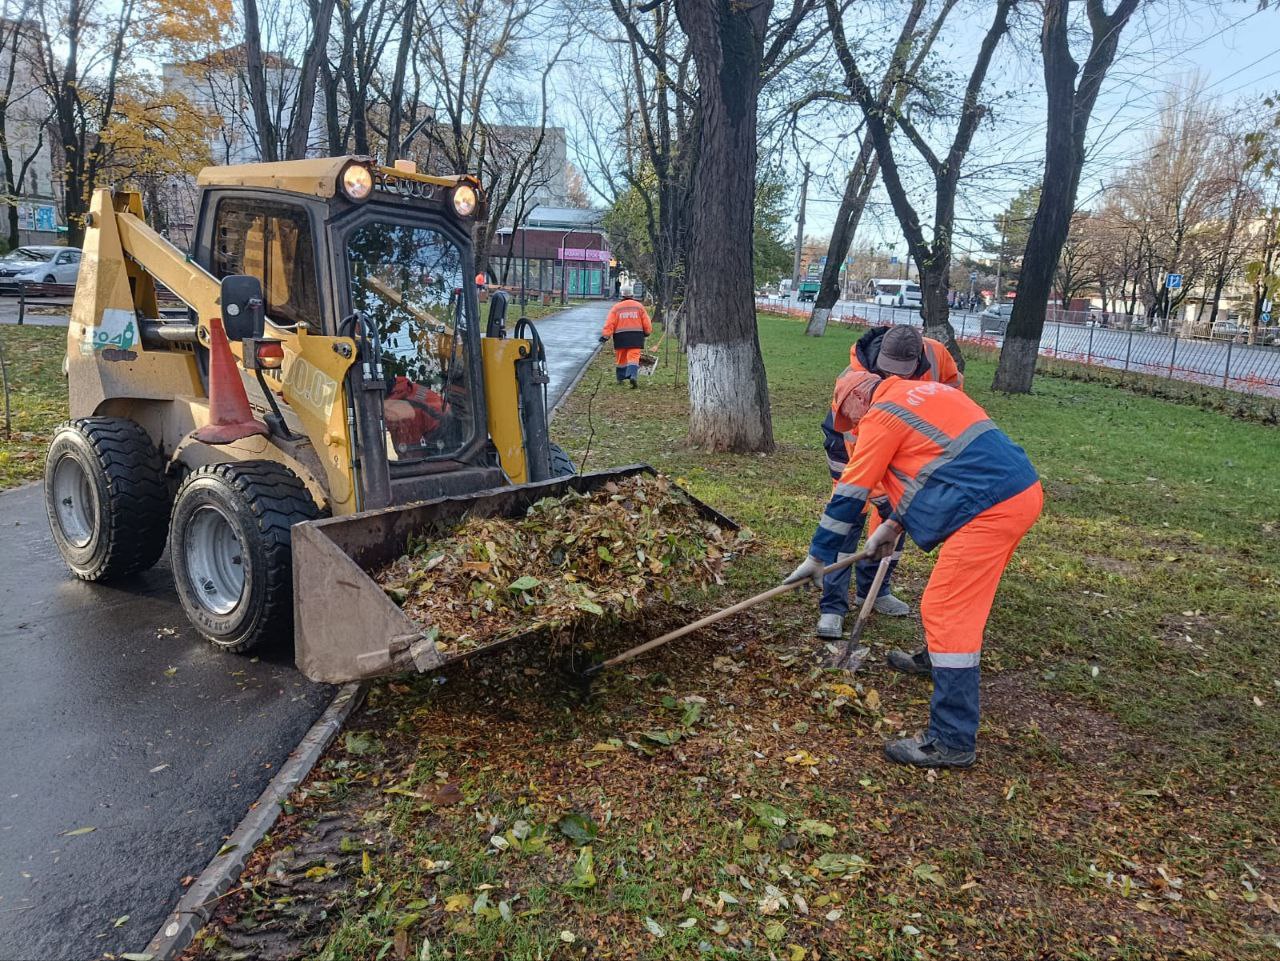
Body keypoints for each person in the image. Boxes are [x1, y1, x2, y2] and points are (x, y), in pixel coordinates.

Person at [788, 327, 1043, 769]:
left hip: (987, 510)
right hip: (1017, 492)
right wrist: (893, 523)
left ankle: (951, 740)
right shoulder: (928, 394)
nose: (850, 426)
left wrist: (817, 558)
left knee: (946, 608)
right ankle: (936, 661)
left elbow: (848, 496)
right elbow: (939, 465)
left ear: (861, 399)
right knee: (962, 600)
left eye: (850, 416)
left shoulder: (880, 417)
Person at [815, 326, 963, 639]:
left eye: (902, 372)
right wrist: (882, 494)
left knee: (892, 524)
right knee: (848, 518)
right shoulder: (856, 383)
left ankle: (875, 590)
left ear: (917, 357)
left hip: (905, 445)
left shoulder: (936, 355)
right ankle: (832, 607)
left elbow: (952, 389)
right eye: (887, 371)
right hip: (853, 445)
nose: (894, 377)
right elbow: (860, 459)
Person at [600, 296, 652, 388]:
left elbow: (610, 322)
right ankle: (633, 375)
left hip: (620, 337)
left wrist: (606, 335)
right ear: (632, 295)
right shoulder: (639, 306)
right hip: (636, 336)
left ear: (622, 295)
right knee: (634, 357)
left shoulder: (617, 307)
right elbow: (646, 321)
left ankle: (620, 377)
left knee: (621, 358)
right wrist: (647, 331)